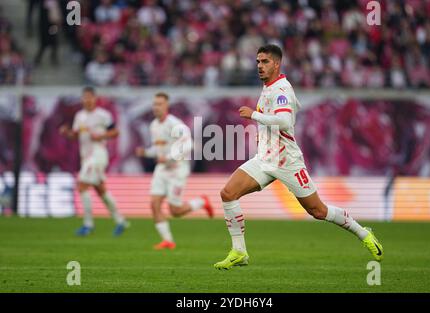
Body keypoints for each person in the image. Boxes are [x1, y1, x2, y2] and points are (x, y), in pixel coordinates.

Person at [214, 44, 384, 270]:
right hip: (264, 159)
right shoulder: (269, 88)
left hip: (288, 162)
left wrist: (254, 115)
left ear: (276, 64)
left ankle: (364, 233)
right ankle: (239, 252)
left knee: (318, 211)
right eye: (257, 62)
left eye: (264, 62)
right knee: (228, 193)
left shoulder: (282, 89)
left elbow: (285, 121)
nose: (259, 66)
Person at [136, 92, 214, 250]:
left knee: (175, 211)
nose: (156, 107)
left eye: (159, 104)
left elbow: (189, 145)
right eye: (154, 104)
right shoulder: (154, 126)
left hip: (178, 169)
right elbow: (158, 150)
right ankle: (168, 241)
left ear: (166, 106)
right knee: (154, 204)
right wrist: (146, 152)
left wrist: (169, 157)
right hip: (162, 170)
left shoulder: (175, 124)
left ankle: (202, 201)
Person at [60, 87, 128, 236]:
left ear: (95, 99)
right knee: (101, 190)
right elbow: (76, 135)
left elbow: (115, 132)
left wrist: (101, 135)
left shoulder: (103, 115)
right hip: (86, 156)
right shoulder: (79, 116)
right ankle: (121, 221)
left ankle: (88, 225)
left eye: (90, 97)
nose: (87, 100)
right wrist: (67, 133)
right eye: (85, 97)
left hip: (98, 154)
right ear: (82, 99)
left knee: (82, 185)